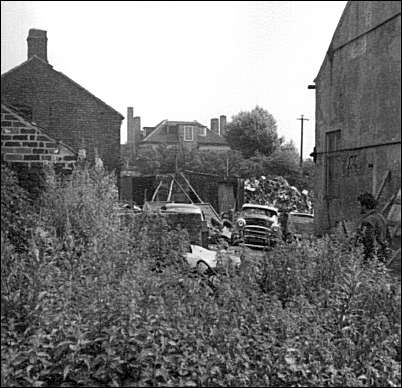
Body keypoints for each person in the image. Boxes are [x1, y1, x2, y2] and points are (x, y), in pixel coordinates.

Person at [355, 192, 390, 262]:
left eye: (359, 205)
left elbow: (368, 242)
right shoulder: (381, 217)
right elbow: (388, 238)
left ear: (364, 206)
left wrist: (364, 259)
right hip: (382, 255)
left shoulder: (368, 221)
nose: (358, 208)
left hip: (372, 258)